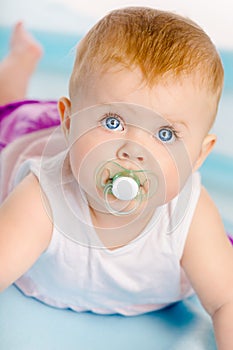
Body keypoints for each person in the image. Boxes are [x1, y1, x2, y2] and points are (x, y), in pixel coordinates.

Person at [0, 8, 233, 349]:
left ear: (199, 155)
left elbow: (226, 301)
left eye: (166, 134)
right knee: (10, 109)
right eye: (112, 122)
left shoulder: (191, 216)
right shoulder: (41, 198)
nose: (135, 151)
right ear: (69, 123)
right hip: (27, 138)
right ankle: (19, 62)